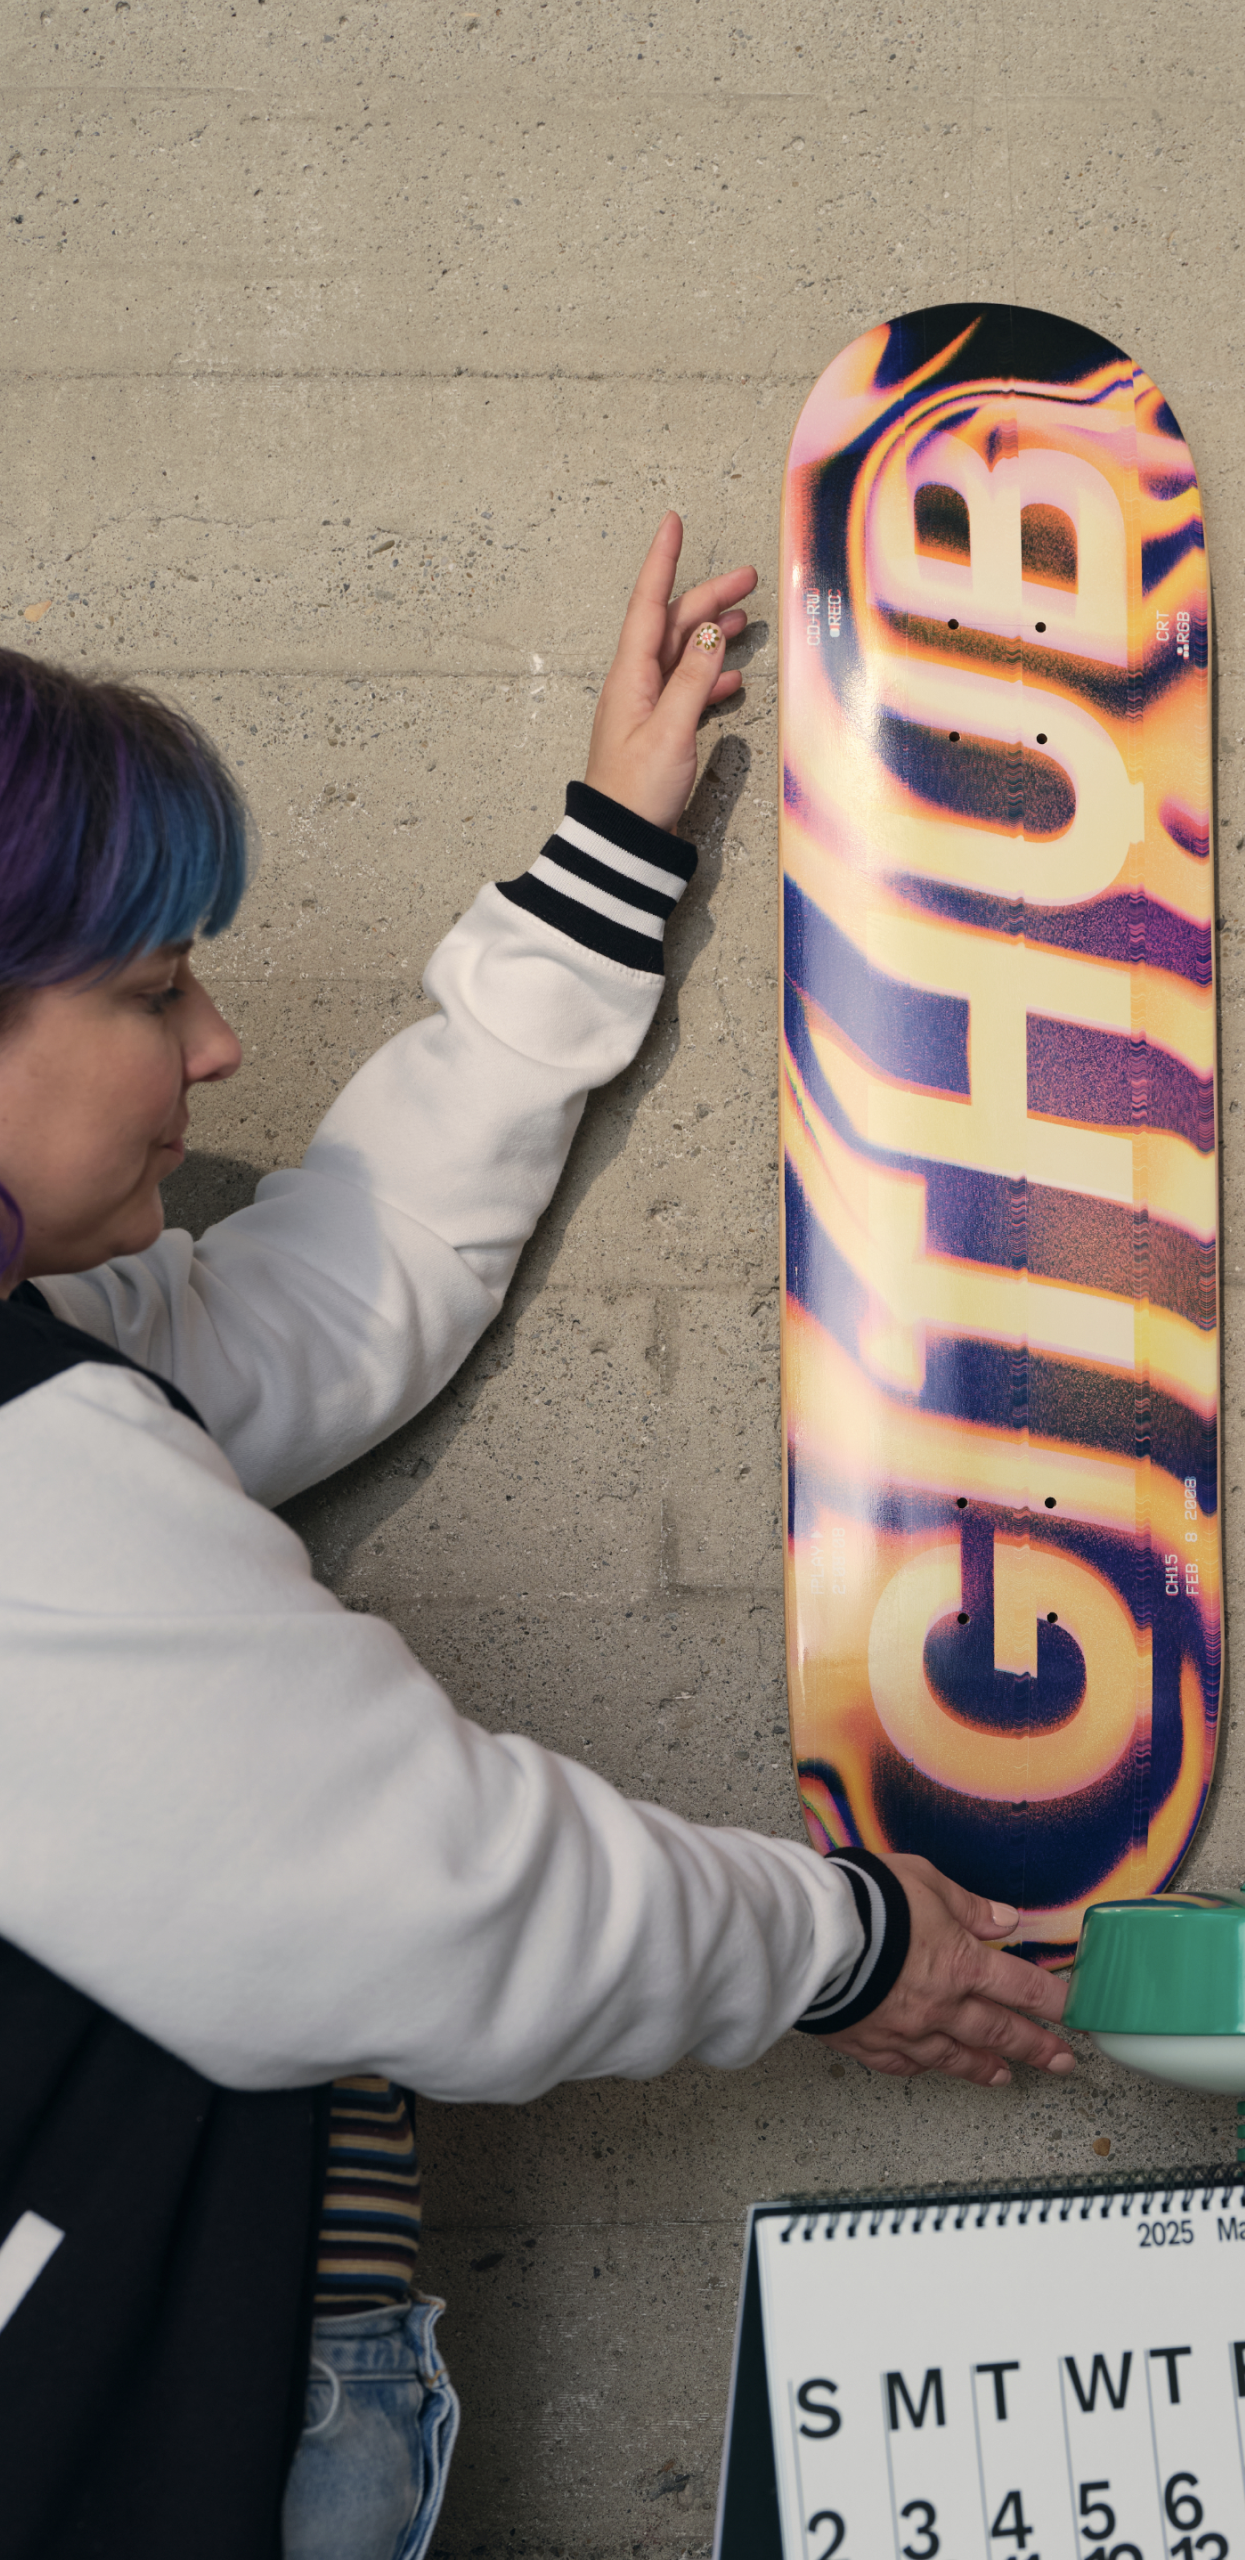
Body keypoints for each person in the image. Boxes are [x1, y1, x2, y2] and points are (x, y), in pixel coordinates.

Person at [0, 518, 1073, 2560]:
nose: (216, 1045)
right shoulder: (19, 1471)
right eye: (151, 988)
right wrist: (850, 1943)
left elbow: (316, 1300)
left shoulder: (51, 1371)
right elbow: (433, 1898)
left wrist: (606, 860)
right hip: (116, 2433)